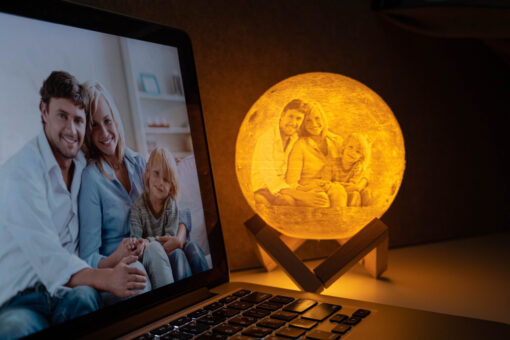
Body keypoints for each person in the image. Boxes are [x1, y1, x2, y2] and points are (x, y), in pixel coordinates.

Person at [0, 71, 146, 339]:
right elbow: (51, 260)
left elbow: (112, 145)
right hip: (23, 297)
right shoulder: (21, 173)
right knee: (15, 329)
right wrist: (109, 277)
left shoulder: (81, 166)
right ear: (44, 111)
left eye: (79, 120)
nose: (72, 129)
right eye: (62, 116)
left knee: (87, 302)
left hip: (70, 290)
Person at [78, 82, 174, 295]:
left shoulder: (139, 163)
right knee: (136, 273)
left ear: (115, 119)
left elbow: (170, 205)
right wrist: (117, 257)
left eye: (107, 121)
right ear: (86, 132)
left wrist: (163, 238)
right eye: (94, 125)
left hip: (149, 249)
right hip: (117, 267)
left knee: (162, 252)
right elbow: (87, 258)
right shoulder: (90, 179)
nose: (104, 132)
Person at [130, 147, 208, 282]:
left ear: (171, 185)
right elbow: (136, 237)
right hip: (162, 256)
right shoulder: (138, 206)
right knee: (177, 254)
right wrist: (142, 242)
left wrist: (148, 241)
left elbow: (170, 237)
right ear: (147, 171)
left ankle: (209, 283)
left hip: (175, 250)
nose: (161, 183)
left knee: (192, 247)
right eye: (156, 174)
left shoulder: (170, 204)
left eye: (166, 180)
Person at [251, 99, 330, 207]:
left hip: (287, 190)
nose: (293, 123)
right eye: (290, 116)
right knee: (288, 203)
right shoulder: (267, 139)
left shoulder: (295, 138)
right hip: (265, 191)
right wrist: (303, 196)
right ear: (282, 115)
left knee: (320, 200)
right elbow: (271, 180)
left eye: (298, 118)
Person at [285, 101, 348, 208]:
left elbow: (350, 166)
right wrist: (307, 191)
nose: (314, 124)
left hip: (330, 186)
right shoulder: (300, 145)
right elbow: (291, 182)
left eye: (317, 118)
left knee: (339, 191)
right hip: (308, 189)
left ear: (323, 119)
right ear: (303, 125)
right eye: (308, 121)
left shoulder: (336, 141)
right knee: (322, 200)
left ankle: (339, 223)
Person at [333, 133, 372, 206]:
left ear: (361, 157)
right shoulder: (334, 163)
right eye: (350, 147)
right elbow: (326, 182)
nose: (352, 152)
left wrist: (338, 185)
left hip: (350, 192)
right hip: (337, 194)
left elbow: (354, 187)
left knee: (356, 195)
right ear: (343, 148)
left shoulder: (358, 167)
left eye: (358, 152)